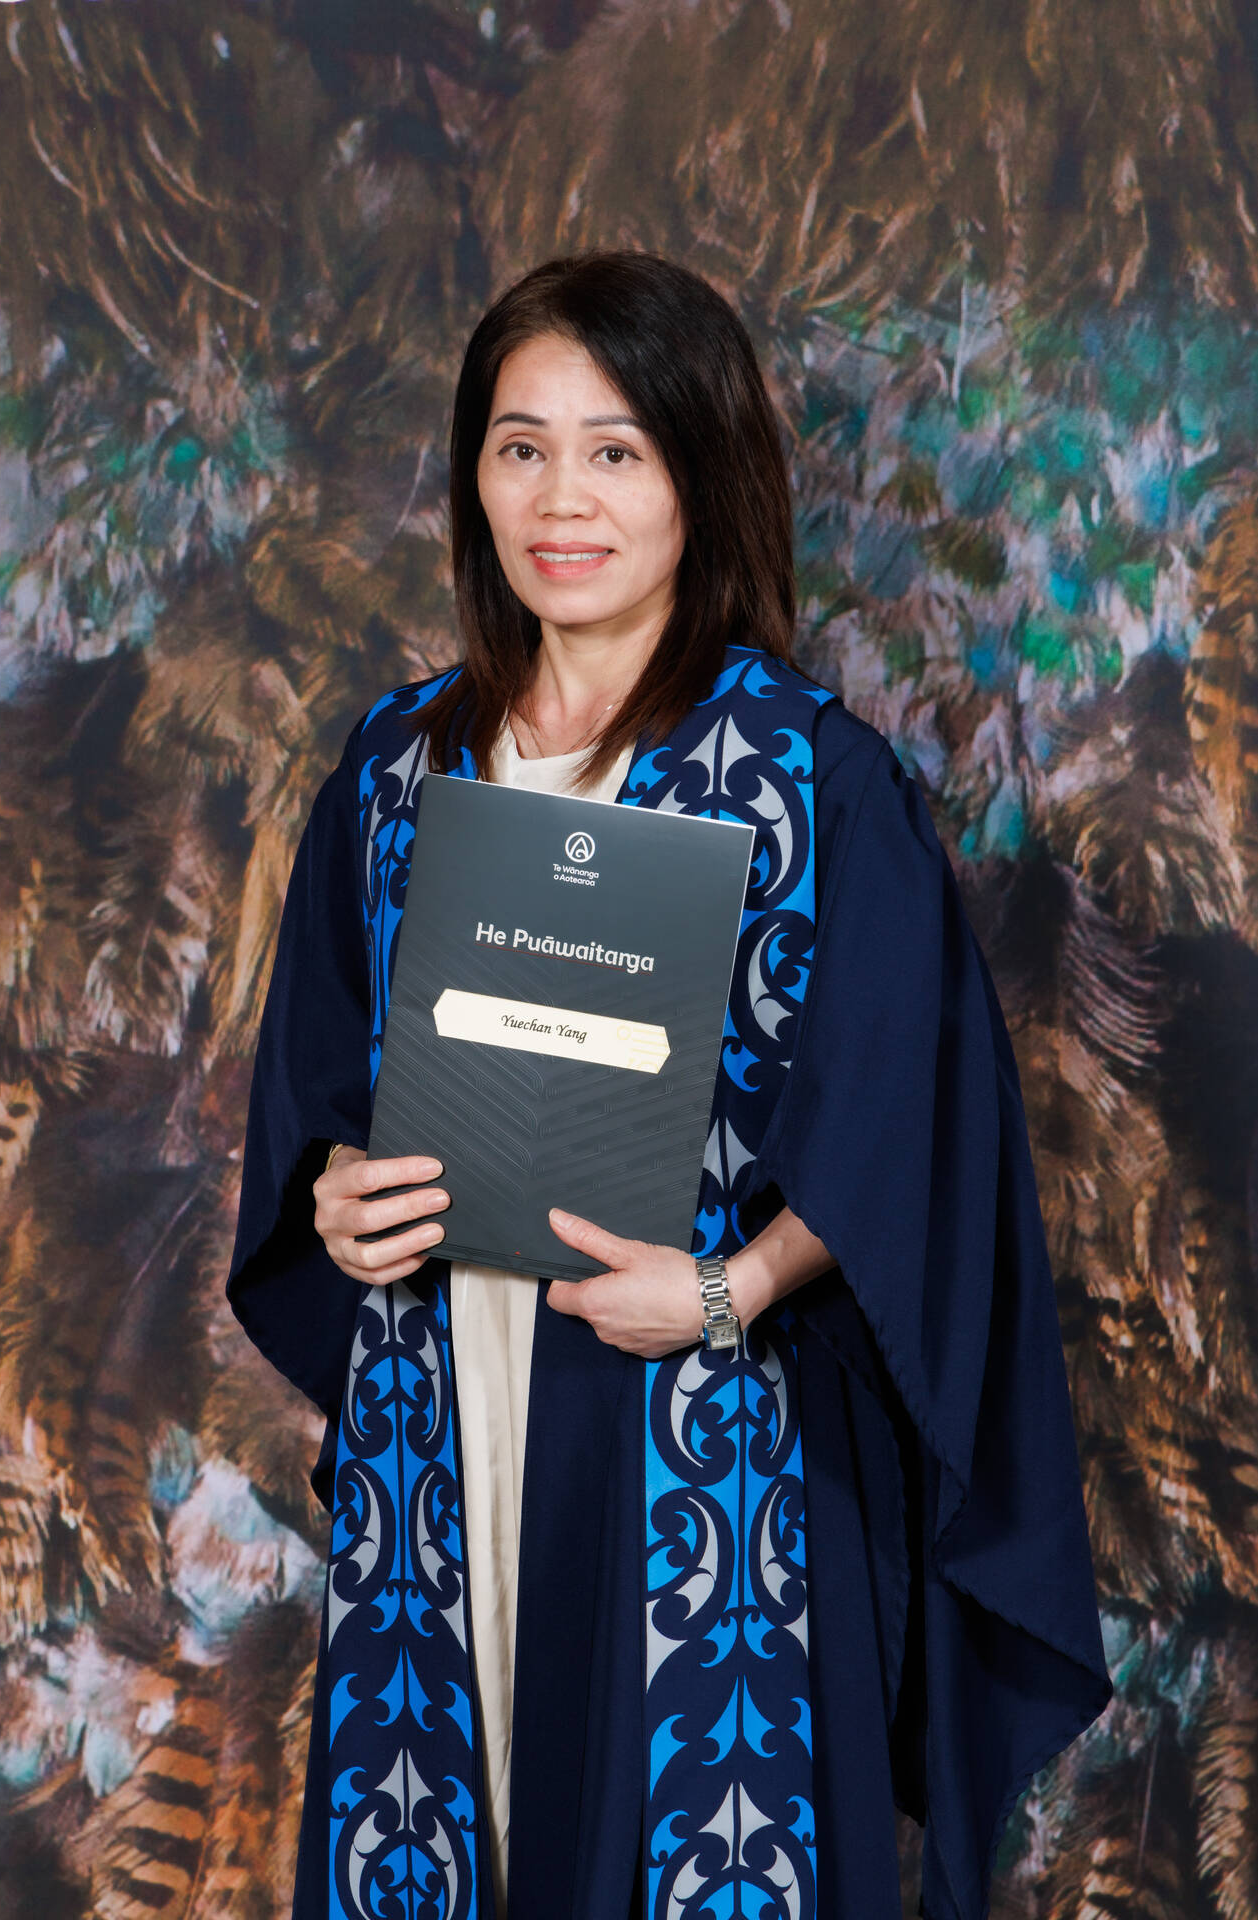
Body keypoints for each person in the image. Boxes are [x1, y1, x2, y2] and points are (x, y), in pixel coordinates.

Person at [227, 249, 1113, 1920]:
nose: (560, 499)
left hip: (701, 1419)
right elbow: (322, 1097)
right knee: (447, 1822)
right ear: (473, 477)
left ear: (701, 477)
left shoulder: (808, 780)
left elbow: (906, 1126)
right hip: (440, 1403)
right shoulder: (399, 767)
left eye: (615, 450)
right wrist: (334, 1202)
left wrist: (726, 1290)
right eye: (519, 447)